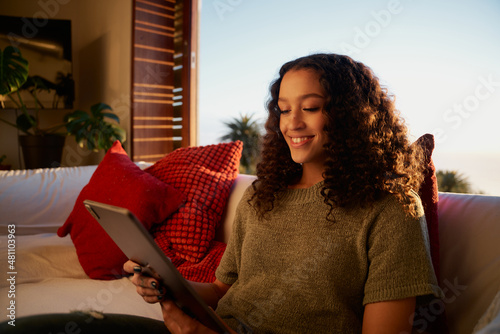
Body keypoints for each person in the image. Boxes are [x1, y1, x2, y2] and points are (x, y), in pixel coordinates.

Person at [124, 53, 443, 333]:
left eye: (311, 107)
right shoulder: (261, 195)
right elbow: (223, 290)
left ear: (354, 116)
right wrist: (167, 282)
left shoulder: (392, 208)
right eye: (284, 110)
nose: (293, 123)